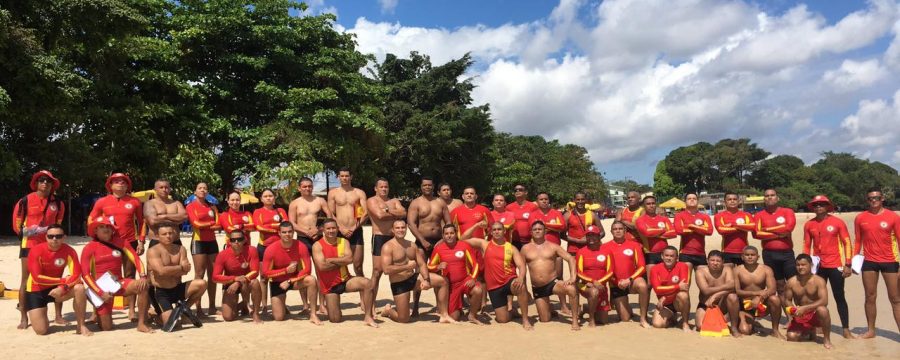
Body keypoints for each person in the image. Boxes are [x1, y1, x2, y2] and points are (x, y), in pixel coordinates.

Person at [12, 170, 66, 329]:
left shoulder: (59, 203)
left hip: (52, 245)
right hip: (29, 245)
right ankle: (23, 316)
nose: (45, 183)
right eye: (42, 180)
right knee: (26, 279)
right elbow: (17, 226)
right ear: (36, 183)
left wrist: (52, 234)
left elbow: (59, 225)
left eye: (48, 181)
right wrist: (30, 230)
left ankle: (58, 315)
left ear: (52, 184)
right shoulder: (25, 201)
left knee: (57, 277)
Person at [87, 173, 144, 322]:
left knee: (130, 275)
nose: (120, 184)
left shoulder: (135, 201)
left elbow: (141, 222)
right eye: (116, 182)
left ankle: (132, 311)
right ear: (110, 185)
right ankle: (95, 312)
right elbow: (91, 218)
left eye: (123, 182)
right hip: (108, 243)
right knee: (100, 277)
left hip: (129, 241)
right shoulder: (102, 202)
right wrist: (94, 236)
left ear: (127, 186)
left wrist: (141, 241)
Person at [80, 217, 152, 333]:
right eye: (102, 227)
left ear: (113, 230)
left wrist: (143, 276)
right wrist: (100, 293)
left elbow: (136, 259)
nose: (106, 229)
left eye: (108, 226)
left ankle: (141, 323)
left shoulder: (121, 242)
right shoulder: (89, 248)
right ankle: (98, 314)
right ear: (95, 230)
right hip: (101, 289)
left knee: (143, 285)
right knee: (106, 328)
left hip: (119, 283)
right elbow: (85, 274)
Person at [379, 219, 453, 323]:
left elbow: (422, 264)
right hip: (399, 283)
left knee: (443, 281)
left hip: (413, 278)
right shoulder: (388, 247)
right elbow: (386, 270)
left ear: (406, 229)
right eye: (397, 228)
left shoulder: (411, 245)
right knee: (403, 319)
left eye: (403, 227)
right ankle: (388, 311)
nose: (400, 230)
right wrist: (406, 267)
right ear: (393, 230)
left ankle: (444, 314)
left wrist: (426, 279)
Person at [802, 195, 854, 338]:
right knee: (815, 296)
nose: (819, 206)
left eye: (822, 204)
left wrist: (848, 264)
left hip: (835, 264)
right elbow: (807, 245)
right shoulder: (809, 224)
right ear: (812, 207)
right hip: (818, 266)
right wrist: (804, 264)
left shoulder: (837, 222)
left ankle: (845, 328)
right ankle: (818, 325)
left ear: (828, 206)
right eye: (816, 204)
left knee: (839, 296)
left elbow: (847, 243)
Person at [464, 222, 533, 330]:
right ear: (491, 232)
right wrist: (475, 226)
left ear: (504, 231)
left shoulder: (511, 248)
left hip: (509, 280)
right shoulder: (484, 245)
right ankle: (512, 312)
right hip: (494, 286)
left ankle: (525, 320)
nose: (496, 231)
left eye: (499, 229)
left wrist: (520, 278)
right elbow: (463, 240)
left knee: (520, 287)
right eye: (494, 229)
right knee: (502, 320)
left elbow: (521, 265)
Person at [25, 224, 91, 336]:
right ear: (46, 237)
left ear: (64, 237)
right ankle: (41, 316)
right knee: (41, 331)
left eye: (58, 236)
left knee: (79, 288)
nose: (54, 239)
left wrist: (63, 287)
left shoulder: (69, 251)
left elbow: (76, 274)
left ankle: (81, 325)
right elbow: (37, 278)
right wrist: (62, 282)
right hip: (36, 290)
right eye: (51, 236)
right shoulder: (36, 250)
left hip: (58, 289)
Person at [311, 219, 377, 327]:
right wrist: (341, 261)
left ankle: (368, 316)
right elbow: (322, 267)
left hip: (345, 280)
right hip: (330, 286)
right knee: (335, 319)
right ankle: (335, 308)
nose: (331, 231)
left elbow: (350, 259)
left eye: (333, 228)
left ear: (337, 229)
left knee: (368, 283)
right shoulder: (317, 246)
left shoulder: (343, 241)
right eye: (328, 228)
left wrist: (331, 260)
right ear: (323, 230)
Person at [852, 188, 900, 338]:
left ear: (882, 199)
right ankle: (871, 330)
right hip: (869, 262)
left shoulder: (893, 217)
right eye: (871, 198)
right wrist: (854, 261)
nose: (874, 200)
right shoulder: (860, 218)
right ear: (867, 200)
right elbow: (858, 241)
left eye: (877, 198)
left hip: (890, 261)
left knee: (896, 299)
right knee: (870, 296)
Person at [146, 222, 206, 329]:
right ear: (157, 236)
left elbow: (186, 270)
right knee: (173, 325)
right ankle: (155, 314)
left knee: (201, 283)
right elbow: (161, 271)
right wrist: (179, 268)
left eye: (170, 233)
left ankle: (183, 309)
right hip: (161, 292)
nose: (168, 236)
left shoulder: (180, 249)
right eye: (164, 234)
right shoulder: (153, 251)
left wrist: (174, 270)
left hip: (177, 288)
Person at [521, 221, 579, 329]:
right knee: (545, 320)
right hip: (538, 287)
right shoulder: (525, 249)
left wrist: (572, 277)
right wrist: (524, 288)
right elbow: (522, 269)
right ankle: (550, 308)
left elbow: (570, 258)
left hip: (553, 283)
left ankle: (575, 321)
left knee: (571, 289)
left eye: (540, 229)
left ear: (545, 231)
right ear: (531, 232)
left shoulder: (553, 246)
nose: (537, 231)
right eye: (535, 229)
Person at [288, 177, 332, 314]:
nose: (307, 188)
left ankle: (322, 304)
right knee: (303, 272)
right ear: (299, 188)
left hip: (318, 238)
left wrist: (318, 230)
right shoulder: (295, 203)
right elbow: (292, 223)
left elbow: (329, 218)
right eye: (304, 186)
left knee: (321, 271)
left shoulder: (320, 200)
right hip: (302, 239)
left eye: (309, 186)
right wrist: (306, 232)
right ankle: (305, 305)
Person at [407, 176, 451, 316]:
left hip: (439, 241)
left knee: (440, 272)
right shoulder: (416, 203)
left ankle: (440, 306)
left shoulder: (441, 203)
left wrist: (443, 240)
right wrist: (422, 240)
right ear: (421, 187)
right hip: (421, 242)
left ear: (433, 187)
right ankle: (415, 307)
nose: (427, 187)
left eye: (429, 185)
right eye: (425, 185)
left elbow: (448, 224)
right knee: (420, 272)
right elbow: (411, 223)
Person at [263, 223, 321, 324]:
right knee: (279, 317)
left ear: (293, 232)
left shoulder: (301, 246)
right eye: (284, 232)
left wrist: (290, 281)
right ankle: (282, 304)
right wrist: (285, 271)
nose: (287, 234)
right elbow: (266, 273)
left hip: (294, 280)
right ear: (279, 233)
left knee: (311, 279)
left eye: (290, 232)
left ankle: (313, 314)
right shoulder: (271, 249)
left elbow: (307, 269)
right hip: (278, 283)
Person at [428, 224, 484, 323]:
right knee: (454, 317)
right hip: (450, 286)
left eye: (451, 233)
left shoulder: (464, 245)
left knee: (478, 290)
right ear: (443, 235)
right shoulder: (438, 249)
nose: (449, 235)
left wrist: (473, 278)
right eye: (446, 234)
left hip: (464, 280)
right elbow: (429, 266)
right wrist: (438, 266)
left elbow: (475, 264)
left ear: (456, 234)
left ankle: (472, 315)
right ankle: (459, 309)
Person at [365, 178, 406, 312]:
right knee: (377, 272)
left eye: (386, 187)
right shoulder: (371, 200)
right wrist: (394, 214)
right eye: (381, 187)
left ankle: (400, 303)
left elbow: (404, 213)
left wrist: (387, 210)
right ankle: (371, 305)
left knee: (398, 269)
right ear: (375, 188)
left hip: (394, 238)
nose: (384, 189)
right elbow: (379, 215)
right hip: (379, 237)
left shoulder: (394, 201)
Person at [601, 221, 650, 327]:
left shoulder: (635, 245)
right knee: (625, 318)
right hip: (616, 284)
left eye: (620, 229)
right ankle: (626, 307)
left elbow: (642, 267)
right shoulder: (605, 247)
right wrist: (616, 281)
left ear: (625, 230)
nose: (618, 231)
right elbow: (605, 269)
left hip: (632, 281)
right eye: (615, 229)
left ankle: (643, 318)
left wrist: (629, 280)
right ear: (611, 232)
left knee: (643, 285)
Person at [753, 189, 797, 304]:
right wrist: (779, 234)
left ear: (777, 198)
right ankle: (789, 317)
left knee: (794, 285)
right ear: (764, 199)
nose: (769, 197)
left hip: (787, 253)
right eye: (767, 196)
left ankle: (800, 315)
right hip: (769, 254)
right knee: (779, 286)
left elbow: (788, 228)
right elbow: (756, 234)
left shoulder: (787, 211)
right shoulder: (759, 215)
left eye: (772, 195)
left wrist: (766, 230)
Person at [185, 182, 221, 315]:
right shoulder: (191, 206)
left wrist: (208, 225)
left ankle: (212, 306)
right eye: (200, 188)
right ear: (195, 192)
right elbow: (196, 224)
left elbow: (219, 225)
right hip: (198, 242)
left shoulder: (212, 207)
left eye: (205, 188)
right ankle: (198, 308)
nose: (203, 190)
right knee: (199, 275)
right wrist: (211, 224)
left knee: (213, 275)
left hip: (212, 242)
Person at [734, 245, 784, 339]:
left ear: (758, 257)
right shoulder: (737, 270)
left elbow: (772, 289)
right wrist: (756, 294)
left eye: (752, 255)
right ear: (742, 257)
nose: (750, 257)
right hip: (745, 306)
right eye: (747, 255)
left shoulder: (766, 269)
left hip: (762, 304)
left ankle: (775, 330)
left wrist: (759, 298)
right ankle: (748, 320)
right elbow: (737, 291)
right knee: (745, 331)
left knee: (775, 299)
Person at [212, 229, 262, 323]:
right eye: (233, 240)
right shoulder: (222, 255)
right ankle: (244, 304)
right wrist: (234, 279)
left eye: (239, 239)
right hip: (230, 284)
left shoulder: (252, 250)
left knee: (255, 282)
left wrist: (238, 282)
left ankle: (255, 313)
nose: (236, 242)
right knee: (228, 317)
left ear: (244, 240)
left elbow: (255, 272)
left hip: (247, 282)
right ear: (229, 241)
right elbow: (215, 277)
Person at [784, 254, 833, 349]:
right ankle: (809, 330)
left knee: (823, 310)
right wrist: (793, 311)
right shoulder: (791, 282)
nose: (800, 267)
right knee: (791, 337)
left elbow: (824, 301)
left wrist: (805, 308)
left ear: (811, 265)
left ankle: (827, 339)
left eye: (803, 265)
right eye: (798, 265)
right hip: (800, 314)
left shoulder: (819, 281)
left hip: (815, 314)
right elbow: (787, 300)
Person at [327, 167, 368, 278]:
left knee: (358, 266)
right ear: (338, 177)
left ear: (351, 177)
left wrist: (353, 228)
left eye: (347, 176)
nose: (344, 178)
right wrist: (340, 229)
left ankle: (364, 294)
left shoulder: (359, 193)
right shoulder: (333, 193)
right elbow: (331, 214)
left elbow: (365, 213)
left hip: (356, 230)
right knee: (338, 265)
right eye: (342, 176)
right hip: (339, 231)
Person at [252, 189, 287, 314]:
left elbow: (285, 226)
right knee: (264, 277)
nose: (268, 198)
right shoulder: (258, 211)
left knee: (280, 276)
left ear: (274, 197)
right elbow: (259, 227)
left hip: (279, 247)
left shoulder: (281, 211)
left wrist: (272, 227)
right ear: (261, 199)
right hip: (264, 247)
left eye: (270, 196)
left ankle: (281, 303)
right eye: (265, 196)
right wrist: (275, 227)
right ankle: (264, 306)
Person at [574, 224, 614, 327]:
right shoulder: (581, 252)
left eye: (593, 235)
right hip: (585, 285)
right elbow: (579, 272)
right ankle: (591, 318)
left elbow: (610, 271)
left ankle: (587, 308)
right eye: (588, 236)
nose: (591, 238)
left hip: (601, 286)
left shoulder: (607, 251)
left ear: (598, 236)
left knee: (604, 320)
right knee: (594, 292)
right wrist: (592, 281)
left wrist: (599, 282)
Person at [695, 250, 740, 337]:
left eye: (718, 261)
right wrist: (725, 287)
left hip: (723, 305)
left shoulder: (727, 269)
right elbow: (705, 291)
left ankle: (734, 328)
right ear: (707, 261)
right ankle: (722, 320)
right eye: (712, 260)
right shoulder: (700, 271)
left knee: (732, 296)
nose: (715, 263)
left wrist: (716, 295)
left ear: (723, 262)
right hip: (706, 305)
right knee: (700, 326)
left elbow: (733, 286)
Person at [649, 246, 691, 331]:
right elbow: (657, 289)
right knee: (657, 324)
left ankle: (685, 322)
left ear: (677, 258)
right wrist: (677, 286)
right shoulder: (655, 269)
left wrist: (665, 296)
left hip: (677, 301)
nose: (669, 258)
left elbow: (684, 287)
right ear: (662, 256)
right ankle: (672, 317)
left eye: (672, 256)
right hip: (665, 304)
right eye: (666, 255)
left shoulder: (683, 266)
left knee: (683, 295)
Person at [714, 192, 756, 267]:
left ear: (738, 201)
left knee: (743, 276)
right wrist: (742, 227)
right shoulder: (719, 216)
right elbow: (721, 230)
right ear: (725, 202)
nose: (732, 201)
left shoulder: (746, 215)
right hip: (727, 251)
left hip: (744, 250)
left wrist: (733, 225)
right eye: (729, 199)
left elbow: (752, 227)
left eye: (734, 199)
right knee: (729, 277)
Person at [635, 195, 675, 272]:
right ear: (644, 206)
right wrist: (663, 230)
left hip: (665, 252)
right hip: (650, 253)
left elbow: (673, 233)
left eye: (653, 203)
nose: (651, 205)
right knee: (651, 282)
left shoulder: (664, 219)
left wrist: (654, 233)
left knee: (667, 277)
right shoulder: (640, 220)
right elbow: (647, 233)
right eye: (648, 204)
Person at [674, 193, 712, 273]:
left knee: (705, 282)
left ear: (698, 201)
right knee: (685, 283)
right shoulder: (679, 216)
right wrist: (700, 228)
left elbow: (709, 231)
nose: (692, 200)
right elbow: (679, 231)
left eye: (694, 198)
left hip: (701, 253)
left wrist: (691, 226)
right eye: (689, 198)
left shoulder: (705, 216)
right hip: (685, 253)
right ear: (685, 202)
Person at [143, 179, 187, 248]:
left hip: (175, 241)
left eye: (166, 187)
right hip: (157, 241)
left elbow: (184, 217)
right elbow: (153, 221)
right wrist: (176, 220)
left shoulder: (176, 203)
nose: (164, 189)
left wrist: (163, 216)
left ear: (170, 189)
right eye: (161, 187)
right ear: (155, 189)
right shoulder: (150, 203)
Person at [565, 191, 605, 255]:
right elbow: (561, 235)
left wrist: (591, 239)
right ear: (574, 200)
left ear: (586, 200)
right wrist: (577, 241)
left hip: (590, 248)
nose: (580, 201)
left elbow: (602, 232)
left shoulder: (592, 215)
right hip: (573, 250)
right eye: (578, 199)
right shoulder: (567, 215)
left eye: (582, 199)